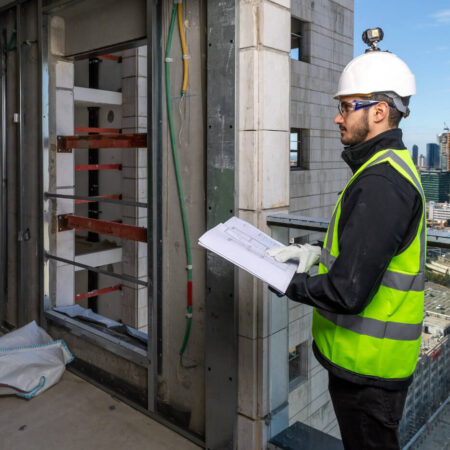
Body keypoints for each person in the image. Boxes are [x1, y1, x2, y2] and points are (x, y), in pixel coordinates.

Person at [268, 29, 425, 450]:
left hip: (370, 372)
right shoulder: (384, 170)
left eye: (345, 107)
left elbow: (348, 291)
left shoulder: (382, 182)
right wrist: (315, 252)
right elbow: (365, 255)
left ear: (378, 111)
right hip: (366, 365)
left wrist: (283, 279)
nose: (338, 117)